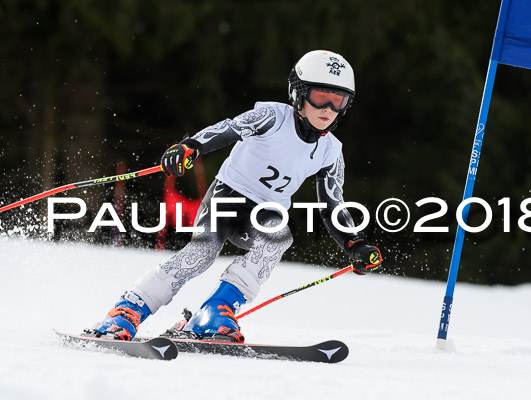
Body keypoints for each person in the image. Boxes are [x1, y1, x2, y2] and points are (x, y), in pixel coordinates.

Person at [90, 50, 383, 342]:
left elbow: (333, 205)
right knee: (201, 253)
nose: (329, 108)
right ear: (299, 93)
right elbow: (228, 128)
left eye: (339, 100)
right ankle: (127, 310)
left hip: (266, 214)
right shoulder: (272, 116)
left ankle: (216, 311)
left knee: (278, 239)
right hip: (228, 197)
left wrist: (355, 243)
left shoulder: (331, 150)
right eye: (321, 96)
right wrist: (191, 147)